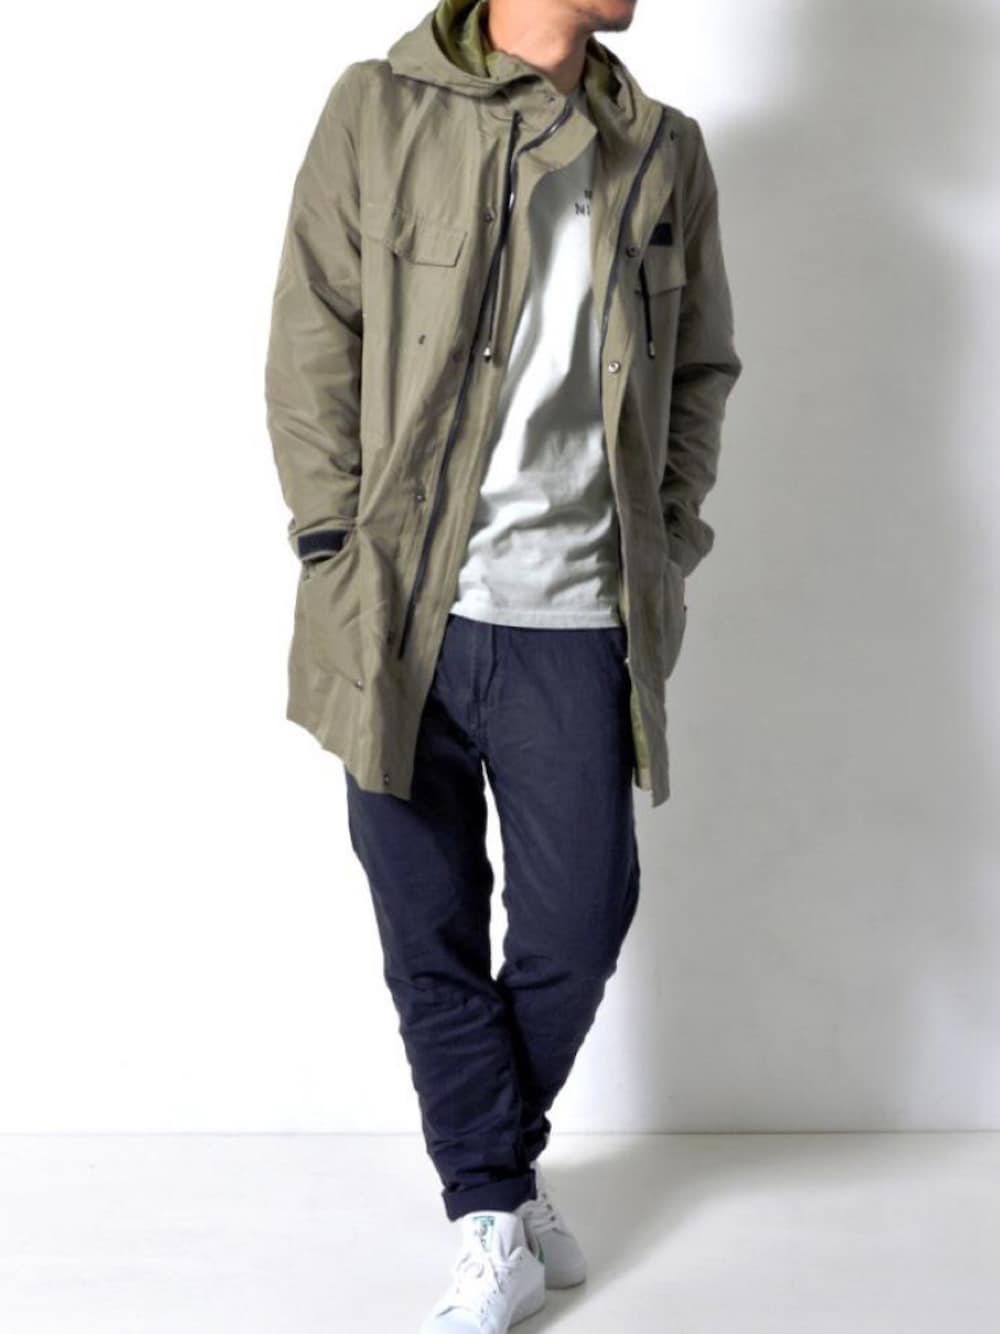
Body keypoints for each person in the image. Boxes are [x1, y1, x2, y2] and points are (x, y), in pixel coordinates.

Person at [264, 0, 742, 1327]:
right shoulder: (376, 109)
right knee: (426, 930)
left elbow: (699, 371)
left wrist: (670, 538)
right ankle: (491, 1212)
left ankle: (496, 1170)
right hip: (399, 613)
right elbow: (312, 331)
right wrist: (330, 544)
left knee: (579, 922)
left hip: (577, 615)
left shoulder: (663, 150)